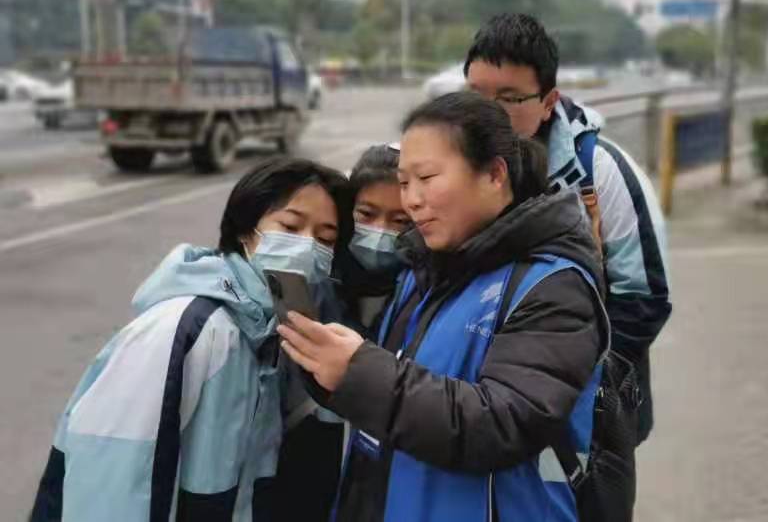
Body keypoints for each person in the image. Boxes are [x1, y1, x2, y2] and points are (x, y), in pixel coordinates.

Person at [277, 92, 609, 522]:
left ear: (494, 174)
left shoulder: (553, 286)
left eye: (427, 177)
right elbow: (389, 399)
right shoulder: (424, 268)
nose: (411, 200)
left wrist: (358, 370)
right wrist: (332, 369)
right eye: (403, 182)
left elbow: (503, 424)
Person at [30, 157, 353, 522]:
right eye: (291, 226)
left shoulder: (269, 331)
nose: (307, 246)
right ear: (247, 229)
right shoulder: (188, 329)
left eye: (324, 238)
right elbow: (113, 477)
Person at [463, 13, 672, 443]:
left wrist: (567, 385)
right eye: (475, 94)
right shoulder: (453, 166)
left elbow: (643, 298)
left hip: (584, 418)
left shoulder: (600, 171)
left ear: (547, 100)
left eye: (508, 98)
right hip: (478, 411)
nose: (485, 114)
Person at [341, 144, 411, 336]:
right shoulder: (324, 275)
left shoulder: (420, 287)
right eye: (366, 213)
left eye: (400, 221)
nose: (380, 230)